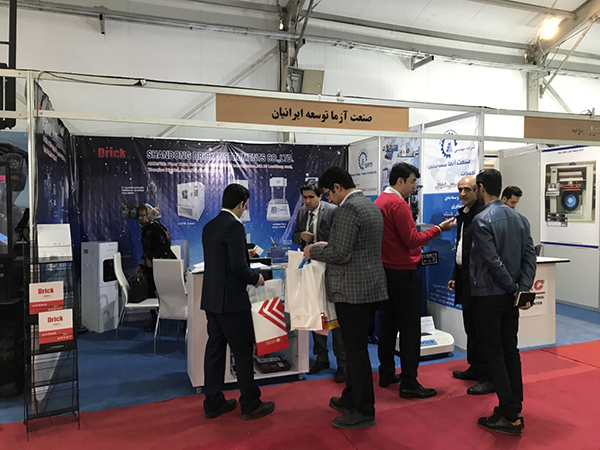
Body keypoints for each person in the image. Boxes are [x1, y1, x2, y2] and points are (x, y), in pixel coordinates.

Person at [304, 167, 387, 430]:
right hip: (369, 287)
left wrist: (313, 251)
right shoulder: (370, 205)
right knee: (355, 348)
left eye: (328, 193)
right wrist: (326, 247)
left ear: (338, 187)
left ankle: (363, 409)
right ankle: (351, 396)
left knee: (356, 351)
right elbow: (355, 247)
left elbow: (340, 253)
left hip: (352, 292)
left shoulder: (348, 209)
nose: (328, 198)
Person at [374, 162, 456, 399]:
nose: (414, 187)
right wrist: (438, 229)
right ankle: (409, 382)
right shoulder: (398, 205)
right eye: (412, 182)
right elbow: (412, 240)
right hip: (404, 272)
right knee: (410, 329)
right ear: (400, 181)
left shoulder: (380, 202)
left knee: (388, 324)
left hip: (386, 271)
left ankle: (386, 373)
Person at [201, 183, 274, 421]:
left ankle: (212, 402)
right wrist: (256, 278)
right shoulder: (235, 226)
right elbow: (237, 267)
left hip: (212, 299)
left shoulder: (210, 226)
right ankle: (250, 403)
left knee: (215, 350)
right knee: (242, 351)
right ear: (242, 204)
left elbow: (222, 258)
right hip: (232, 301)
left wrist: (244, 253)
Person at [471, 169, 536, 436]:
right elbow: (529, 256)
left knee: (494, 352)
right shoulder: (520, 219)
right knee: (511, 349)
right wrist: (522, 289)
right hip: (510, 297)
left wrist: (511, 287)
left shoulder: (481, 219)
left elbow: (491, 260)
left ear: (481, 187)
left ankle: (509, 413)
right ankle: (514, 406)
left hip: (489, 295)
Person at [292, 180, 346, 383]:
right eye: (304, 197)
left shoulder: (333, 211)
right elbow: (294, 237)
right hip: (309, 271)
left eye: (311, 197)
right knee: (315, 314)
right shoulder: (301, 213)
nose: (307, 201)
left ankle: (342, 364)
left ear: (320, 196)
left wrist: (319, 247)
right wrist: (300, 236)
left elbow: (339, 242)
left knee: (335, 317)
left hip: (331, 270)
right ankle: (321, 357)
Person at [447, 176, 493, 395]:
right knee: (470, 327)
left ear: (477, 190)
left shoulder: (482, 215)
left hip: (480, 280)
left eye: (467, 189)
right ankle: (475, 367)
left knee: (482, 330)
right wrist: (455, 274)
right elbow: (460, 248)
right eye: (460, 189)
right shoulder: (463, 214)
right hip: (464, 277)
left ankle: (487, 375)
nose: (463, 193)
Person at [137, 203, 177, 331]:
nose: (141, 218)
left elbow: (163, 247)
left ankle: (155, 321)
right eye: (140, 215)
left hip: (160, 265)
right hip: (163, 264)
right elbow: (150, 248)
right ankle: (159, 320)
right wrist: (144, 261)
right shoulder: (157, 227)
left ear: (150, 215)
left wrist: (152, 259)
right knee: (167, 292)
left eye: (143, 215)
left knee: (153, 292)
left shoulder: (152, 228)